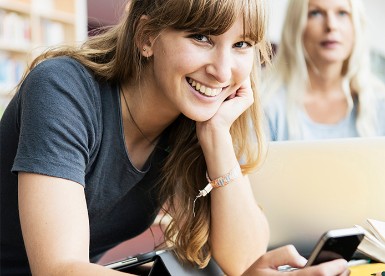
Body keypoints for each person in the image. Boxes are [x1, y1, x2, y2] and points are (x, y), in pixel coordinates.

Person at [0, 0, 349, 275]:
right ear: (147, 37)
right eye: (202, 37)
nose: (223, 71)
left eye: (242, 44)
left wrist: (216, 136)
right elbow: (57, 269)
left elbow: (245, 260)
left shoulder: (189, 119)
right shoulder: (63, 88)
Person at [262, 0, 385, 141]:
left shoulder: (379, 104)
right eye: (315, 13)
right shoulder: (268, 106)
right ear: (296, 25)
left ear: (355, 25)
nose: (331, 25)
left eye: (342, 13)